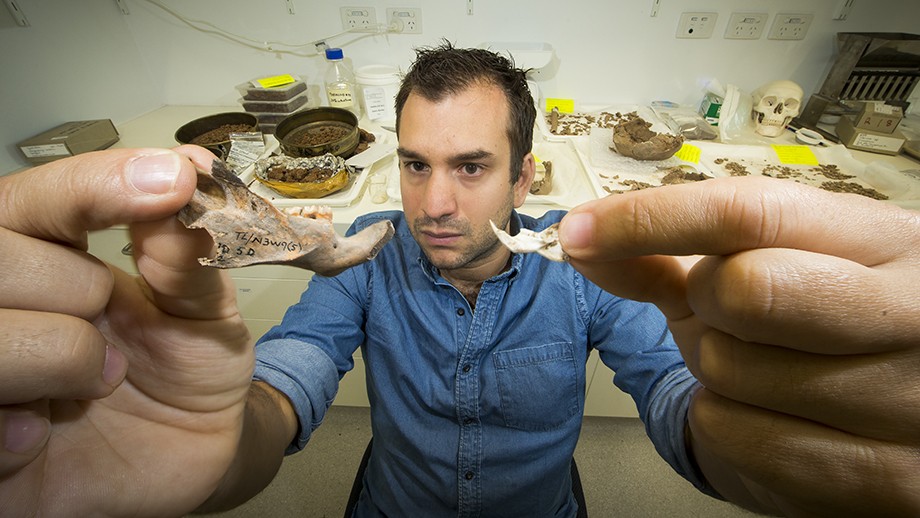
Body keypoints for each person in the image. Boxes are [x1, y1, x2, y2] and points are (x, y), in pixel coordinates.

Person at [0, 41, 917, 517]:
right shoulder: (367, 248)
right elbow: (289, 380)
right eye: (415, 164)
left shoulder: (586, 259)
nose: (433, 203)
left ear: (526, 175)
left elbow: (672, 388)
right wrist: (205, 440)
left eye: (472, 167)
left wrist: (759, 449)